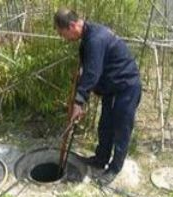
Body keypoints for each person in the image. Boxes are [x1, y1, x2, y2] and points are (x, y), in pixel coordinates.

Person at [54, 8, 142, 185]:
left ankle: (114, 168)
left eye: (64, 34)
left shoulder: (95, 38)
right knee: (105, 127)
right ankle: (100, 160)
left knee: (121, 131)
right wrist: (80, 76)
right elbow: (88, 67)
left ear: (72, 26)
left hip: (125, 88)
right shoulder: (87, 37)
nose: (65, 39)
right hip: (111, 89)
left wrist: (79, 102)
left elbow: (92, 74)